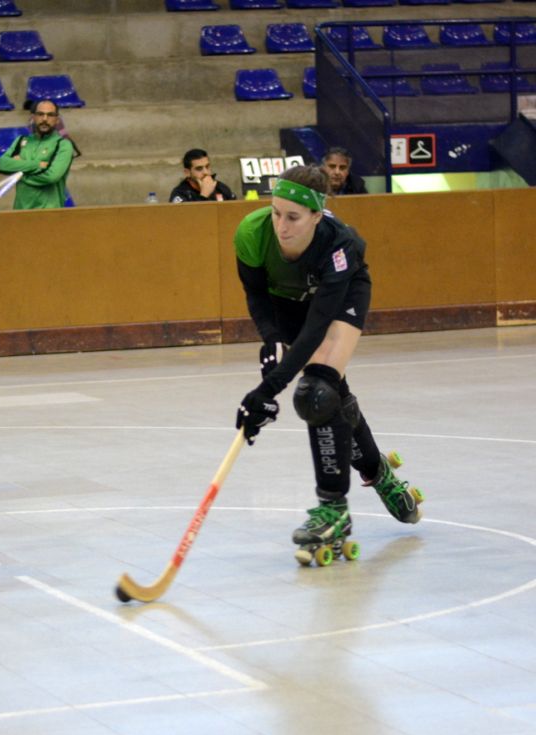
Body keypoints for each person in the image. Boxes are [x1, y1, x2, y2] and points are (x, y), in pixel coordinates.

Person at [232, 164, 422, 561]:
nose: (281, 226)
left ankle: (333, 509)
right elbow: (256, 295)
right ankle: (377, 471)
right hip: (285, 296)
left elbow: (317, 327)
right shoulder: (251, 232)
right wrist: (272, 341)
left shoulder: (340, 245)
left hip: (341, 293)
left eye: (293, 217)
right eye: (275, 212)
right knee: (334, 395)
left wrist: (267, 391)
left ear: (317, 216)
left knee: (316, 392)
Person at [0, 98, 75, 210]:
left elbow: (51, 177)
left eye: (50, 115)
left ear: (57, 119)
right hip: (20, 211)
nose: (44, 119)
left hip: (50, 212)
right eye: (40, 114)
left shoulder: (63, 145)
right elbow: (3, 164)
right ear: (33, 117)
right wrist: (38, 165)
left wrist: (19, 172)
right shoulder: (20, 140)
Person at [169, 148, 236, 203]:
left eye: (207, 167)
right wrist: (204, 195)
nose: (206, 172)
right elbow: (187, 218)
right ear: (187, 172)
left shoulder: (221, 188)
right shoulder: (180, 193)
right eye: (199, 169)